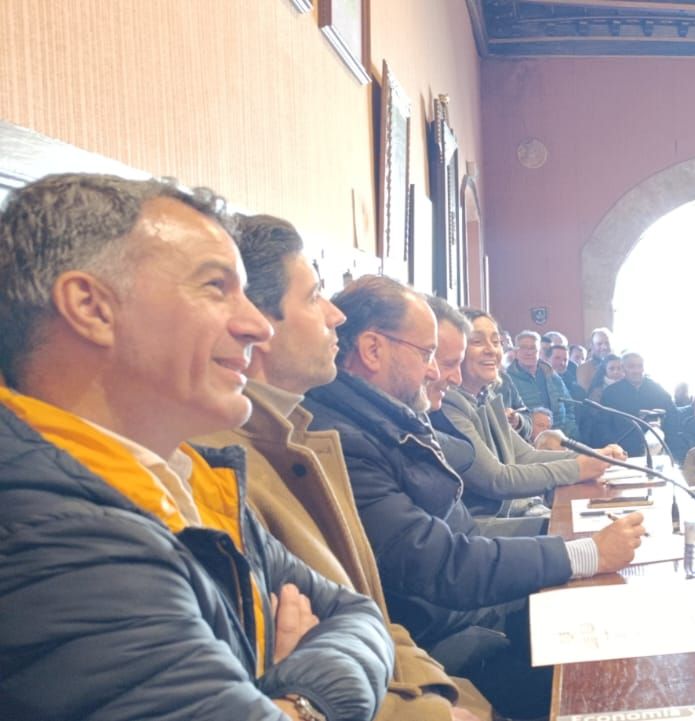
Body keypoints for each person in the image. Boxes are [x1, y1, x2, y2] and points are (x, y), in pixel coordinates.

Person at [0, 175, 391, 720]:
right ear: (91, 307)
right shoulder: (49, 533)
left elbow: (357, 615)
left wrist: (276, 694)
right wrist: (304, 704)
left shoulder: (193, 478)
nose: (256, 325)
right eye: (215, 286)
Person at [301, 274, 645, 717]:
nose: (439, 372)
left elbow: (468, 524)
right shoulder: (346, 437)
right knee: (605, 683)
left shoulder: (391, 419)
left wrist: (575, 546)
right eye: (429, 355)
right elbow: (443, 562)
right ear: (372, 350)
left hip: (470, 610)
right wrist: (585, 554)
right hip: (447, 636)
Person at [191, 213, 491, 720]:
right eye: (313, 297)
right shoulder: (215, 462)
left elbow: (358, 611)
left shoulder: (297, 434)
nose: (334, 317)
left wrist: (438, 698)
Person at [436, 307, 613, 520]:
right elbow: (497, 480)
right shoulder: (448, 404)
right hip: (488, 530)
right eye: (477, 341)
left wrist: (595, 456)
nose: (491, 350)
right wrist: (577, 469)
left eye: (496, 341)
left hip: (520, 512)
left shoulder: (488, 397)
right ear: (457, 350)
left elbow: (525, 455)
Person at [598, 350, 675, 457]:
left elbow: (673, 417)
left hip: (657, 450)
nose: (636, 370)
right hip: (623, 451)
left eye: (640, 366)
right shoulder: (610, 393)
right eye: (631, 366)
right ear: (623, 368)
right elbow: (603, 426)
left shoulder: (657, 390)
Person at [507, 330, 578, 439]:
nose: (529, 352)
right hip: (527, 441)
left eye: (533, 348)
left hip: (560, 437)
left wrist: (570, 431)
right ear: (516, 352)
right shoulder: (508, 379)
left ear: (539, 352)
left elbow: (569, 405)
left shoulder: (552, 375)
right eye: (523, 348)